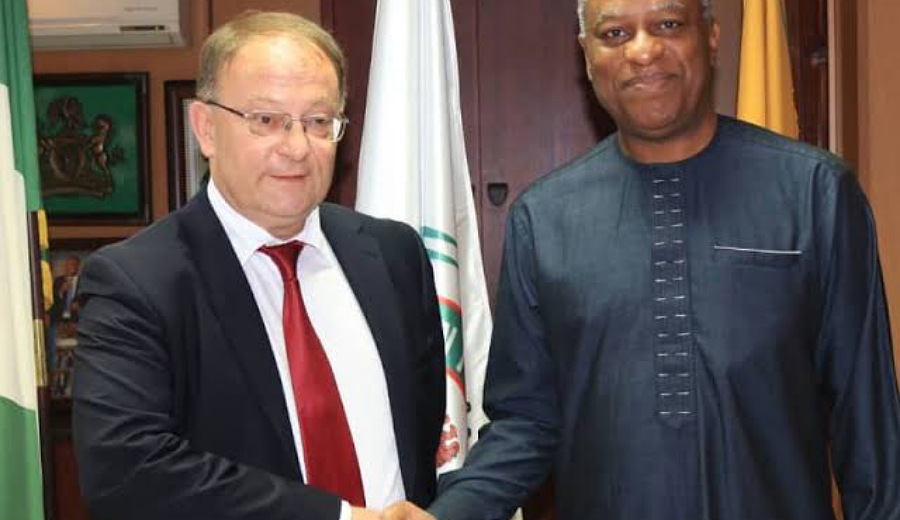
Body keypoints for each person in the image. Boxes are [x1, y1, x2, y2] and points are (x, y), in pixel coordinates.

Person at [385, 0, 900, 519]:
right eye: (614, 34)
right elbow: (526, 423)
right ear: (587, 56)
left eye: (668, 25)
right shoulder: (543, 220)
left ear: (711, 37)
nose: (644, 51)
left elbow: (869, 425)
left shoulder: (814, 193)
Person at [72, 11, 445, 520]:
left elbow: (424, 436)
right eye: (267, 120)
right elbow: (125, 469)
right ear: (205, 129)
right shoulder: (137, 283)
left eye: (318, 122)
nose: (297, 148)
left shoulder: (394, 255)